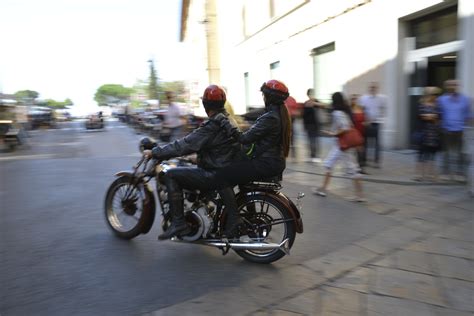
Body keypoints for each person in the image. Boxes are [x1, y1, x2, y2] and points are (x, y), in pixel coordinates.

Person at [143, 85, 242, 240]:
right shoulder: (228, 120)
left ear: (206, 105)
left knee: (171, 175)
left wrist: (155, 152)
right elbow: (219, 148)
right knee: (187, 169)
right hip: (224, 169)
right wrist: (197, 157)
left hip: (214, 173)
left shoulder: (212, 125)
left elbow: (183, 145)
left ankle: (178, 222)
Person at [215, 80, 292, 233]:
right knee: (241, 179)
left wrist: (225, 122)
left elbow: (243, 138)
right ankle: (248, 214)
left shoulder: (271, 117)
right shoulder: (279, 113)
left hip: (265, 163)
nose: (263, 97)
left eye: (264, 95)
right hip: (272, 162)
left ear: (269, 97)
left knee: (221, 177)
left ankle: (234, 220)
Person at [313, 92, 365, 202]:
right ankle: (322, 189)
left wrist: (333, 134)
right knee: (329, 164)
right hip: (340, 145)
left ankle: (360, 195)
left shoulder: (337, 113)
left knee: (353, 169)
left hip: (343, 145)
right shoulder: (344, 111)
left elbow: (345, 128)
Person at [437, 79, 471, 182]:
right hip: (446, 129)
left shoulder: (465, 99)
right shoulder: (441, 99)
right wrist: (440, 126)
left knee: (460, 152)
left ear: (458, 86)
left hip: (460, 129)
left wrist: (468, 126)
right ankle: (445, 173)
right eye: (450, 85)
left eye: (455, 84)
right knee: (446, 152)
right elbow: (439, 114)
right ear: (446, 87)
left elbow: (468, 115)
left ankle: (459, 173)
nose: (452, 86)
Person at [413, 87, 442, 182]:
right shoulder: (421, 105)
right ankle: (419, 175)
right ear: (428, 95)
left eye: (436, 95)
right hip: (423, 133)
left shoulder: (437, 105)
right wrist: (432, 117)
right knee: (421, 155)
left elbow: (438, 118)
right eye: (433, 94)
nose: (435, 96)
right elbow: (421, 116)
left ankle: (431, 175)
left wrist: (430, 117)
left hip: (433, 134)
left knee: (432, 155)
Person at [358, 82, 386, 168]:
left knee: (377, 143)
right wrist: (364, 120)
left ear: (377, 88)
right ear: (368, 88)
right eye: (371, 87)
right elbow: (361, 110)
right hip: (366, 123)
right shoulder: (364, 98)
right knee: (365, 142)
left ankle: (376, 162)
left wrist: (381, 118)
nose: (372, 89)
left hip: (376, 123)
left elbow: (383, 109)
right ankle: (364, 160)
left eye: (374, 87)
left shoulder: (381, 98)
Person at [302, 88, 324, 162]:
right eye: (310, 94)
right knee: (311, 140)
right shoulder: (305, 103)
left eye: (312, 94)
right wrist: (304, 125)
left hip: (316, 124)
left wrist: (314, 103)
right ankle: (312, 155)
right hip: (309, 125)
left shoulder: (316, 102)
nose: (311, 95)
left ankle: (315, 155)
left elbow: (323, 105)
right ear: (308, 95)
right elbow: (304, 116)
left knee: (316, 140)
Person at [350, 94, 367, 174]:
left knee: (361, 150)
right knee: (356, 151)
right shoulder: (350, 110)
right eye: (353, 99)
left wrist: (365, 123)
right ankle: (356, 168)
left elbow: (365, 119)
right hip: (354, 133)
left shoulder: (361, 108)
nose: (354, 100)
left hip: (362, 132)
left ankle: (359, 167)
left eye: (355, 99)